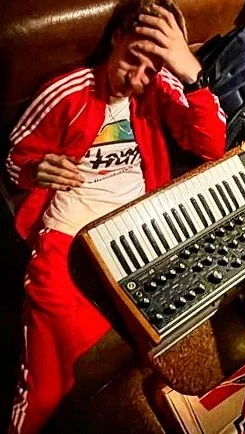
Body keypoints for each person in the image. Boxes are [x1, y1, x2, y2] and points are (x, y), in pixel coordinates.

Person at [6, 0, 226, 432]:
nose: (137, 80)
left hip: (139, 235)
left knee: (182, 359)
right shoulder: (66, 92)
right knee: (45, 387)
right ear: (115, 39)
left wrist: (191, 74)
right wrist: (34, 170)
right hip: (67, 236)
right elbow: (15, 161)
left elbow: (210, 145)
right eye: (131, 61)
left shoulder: (159, 85)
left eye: (152, 69)